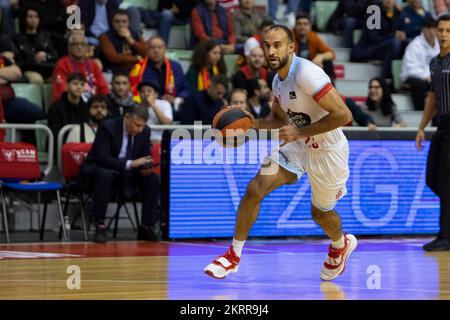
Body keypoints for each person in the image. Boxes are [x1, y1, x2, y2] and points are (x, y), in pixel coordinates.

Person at [204, 25, 357, 280]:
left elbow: (344, 115)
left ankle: (341, 245)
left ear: (291, 47)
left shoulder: (308, 73)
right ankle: (233, 256)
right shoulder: (277, 82)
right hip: (299, 145)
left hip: (328, 151)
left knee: (320, 214)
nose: (271, 50)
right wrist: (252, 124)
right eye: (267, 45)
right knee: (255, 188)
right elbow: (277, 120)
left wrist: (299, 132)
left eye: (277, 45)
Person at [80, 105, 161, 243]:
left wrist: (146, 165)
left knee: (152, 178)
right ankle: (100, 225)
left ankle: (147, 226)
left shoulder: (144, 131)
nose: (140, 129)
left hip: (129, 174)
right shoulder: (107, 127)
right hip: (104, 171)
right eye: (136, 125)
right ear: (127, 117)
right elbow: (102, 158)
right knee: (104, 175)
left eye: (142, 126)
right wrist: (130, 164)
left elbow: (144, 156)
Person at [415, 14, 450, 251]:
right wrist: (421, 127)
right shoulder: (434, 62)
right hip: (442, 124)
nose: (444, 34)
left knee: (446, 183)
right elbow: (432, 97)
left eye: (448, 30)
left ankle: (445, 236)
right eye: (441, 30)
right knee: (433, 179)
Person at [129, 35, 189, 113]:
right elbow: (139, 91)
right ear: (147, 50)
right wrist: (161, 99)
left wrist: (177, 98)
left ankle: (197, 125)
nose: (156, 50)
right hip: (148, 106)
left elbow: (186, 88)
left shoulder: (175, 67)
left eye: (159, 47)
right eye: (152, 48)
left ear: (164, 50)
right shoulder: (140, 68)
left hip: (174, 105)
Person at [351, 0, 405, 81]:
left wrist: (402, 35)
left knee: (405, 42)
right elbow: (372, 38)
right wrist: (393, 35)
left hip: (385, 48)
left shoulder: (397, 13)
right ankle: (384, 78)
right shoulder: (373, 11)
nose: (389, 1)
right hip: (367, 49)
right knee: (394, 43)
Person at [52, 33, 109, 103]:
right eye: (75, 44)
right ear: (69, 48)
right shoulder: (62, 64)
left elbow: (104, 89)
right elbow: (62, 91)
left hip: (94, 106)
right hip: (71, 105)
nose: (79, 47)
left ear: (87, 48)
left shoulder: (93, 64)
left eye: (83, 44)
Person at [401, 18, 440, 111]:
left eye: (434, 28)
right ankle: (420, 112)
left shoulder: (439, 45)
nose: (431, 31)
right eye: (429, 28)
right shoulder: (415, 45)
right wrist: (427, 76)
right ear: (423, 29)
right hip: (414, 77)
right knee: (419, 85)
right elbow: (411, 69)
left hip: (432, 78)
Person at [13, 5, 58, 83]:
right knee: (37, 79)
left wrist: (46, 55)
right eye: (30, 17)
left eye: (36, 17)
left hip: (46, 69)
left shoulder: (45, 36)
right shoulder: (17, 39)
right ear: (24, 19)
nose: (33, 19)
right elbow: (18, 59)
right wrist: (34, 57)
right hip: (29, 69)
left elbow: (54, 55)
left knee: (58, 79)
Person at [98, 9, 148, 74]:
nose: (121, 24)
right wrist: (135, 58)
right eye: (117, 21)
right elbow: (113, 58)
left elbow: (146, 53)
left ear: (129, 22)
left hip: (136, 70)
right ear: (112, 22)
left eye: (124, 21)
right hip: (114, 71)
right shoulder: (105, 37)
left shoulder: (135, 34)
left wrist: (131, 41)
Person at [293, 13, 336, 81]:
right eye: (299, 24)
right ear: (295, 26)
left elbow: (331, 54)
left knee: (327, 62)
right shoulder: (289, 36)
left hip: (310, 69)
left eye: (305, 24)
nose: (302, 27)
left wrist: (320, 57)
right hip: (294, 70)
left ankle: (330, 86)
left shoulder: (313, 37)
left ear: (310, 26)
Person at [47, 72, 89, 139]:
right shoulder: (55, 108)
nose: (79, 87)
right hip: (61, 145)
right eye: (75, 83)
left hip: (81, 145)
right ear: (67, 85)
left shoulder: (86, 108)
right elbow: (55, 133)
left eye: (82, 84)